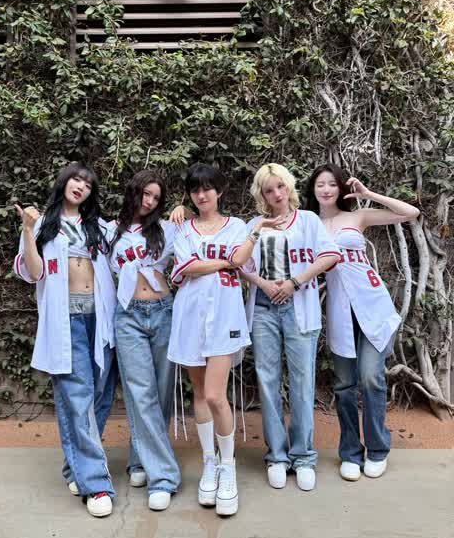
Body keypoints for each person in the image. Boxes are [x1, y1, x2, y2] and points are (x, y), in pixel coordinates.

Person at [167, 163, 281, 516]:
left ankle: (227, 466)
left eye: (208, 188)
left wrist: (242, 244)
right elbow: (187, 267)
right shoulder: (182, 227)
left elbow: (240, 258)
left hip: (225, 318)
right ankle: (209, 463)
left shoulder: (237, 226)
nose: (201, 195)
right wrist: (222, 262)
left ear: (219, 191)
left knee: (217, 395)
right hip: (189, 316)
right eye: (195, 190)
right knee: (200, 393)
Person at [13, 162, 117, 518]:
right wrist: (28, 230)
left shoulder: (99, 226)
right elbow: (34, 273)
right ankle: (96, 483)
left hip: (99, 317)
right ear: (64, 182)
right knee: (78, 397)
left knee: (99, 395)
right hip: (66, 320)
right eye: (76, 179)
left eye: (88, 184)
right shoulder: (42, 223)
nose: (81, 186)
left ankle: (75, 467)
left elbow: (138, 233)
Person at [305, 162, 420, 481]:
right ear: (312, 189)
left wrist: (369, 194)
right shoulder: (308, 224)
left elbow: (410, 212)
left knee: (371, 377)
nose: (326, 189)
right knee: (344, 385)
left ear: (341, 188)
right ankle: (350, 453)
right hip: (339, 311)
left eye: (332, 184)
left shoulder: (357, 216)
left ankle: (378, 449)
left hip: (372, 305)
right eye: (320, 184)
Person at [241, 163, 340, 492]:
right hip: (263, 308)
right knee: (267, 380)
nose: (276, 194)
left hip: (299, 307)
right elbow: (240, 263)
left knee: (301, 381)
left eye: (280, 186)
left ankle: (303, 456)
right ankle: (277, 457)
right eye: (268, 190)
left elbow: (329, 255)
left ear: (289, 187)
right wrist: (263, 284)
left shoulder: (308, 220)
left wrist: (294, 282)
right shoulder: (254, 225)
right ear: (261, 194)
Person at [107, 170, 180, 512]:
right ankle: (163, 477)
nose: (149, 201)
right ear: (133, 192)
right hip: (129, 316)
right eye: (145, 194)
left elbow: (199, 234)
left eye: (156, 197)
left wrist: (183, 212)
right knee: (140, 392)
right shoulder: (109, 230)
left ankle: (140, 459)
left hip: (163, 311)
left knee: (161, 392)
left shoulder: (166, 228)